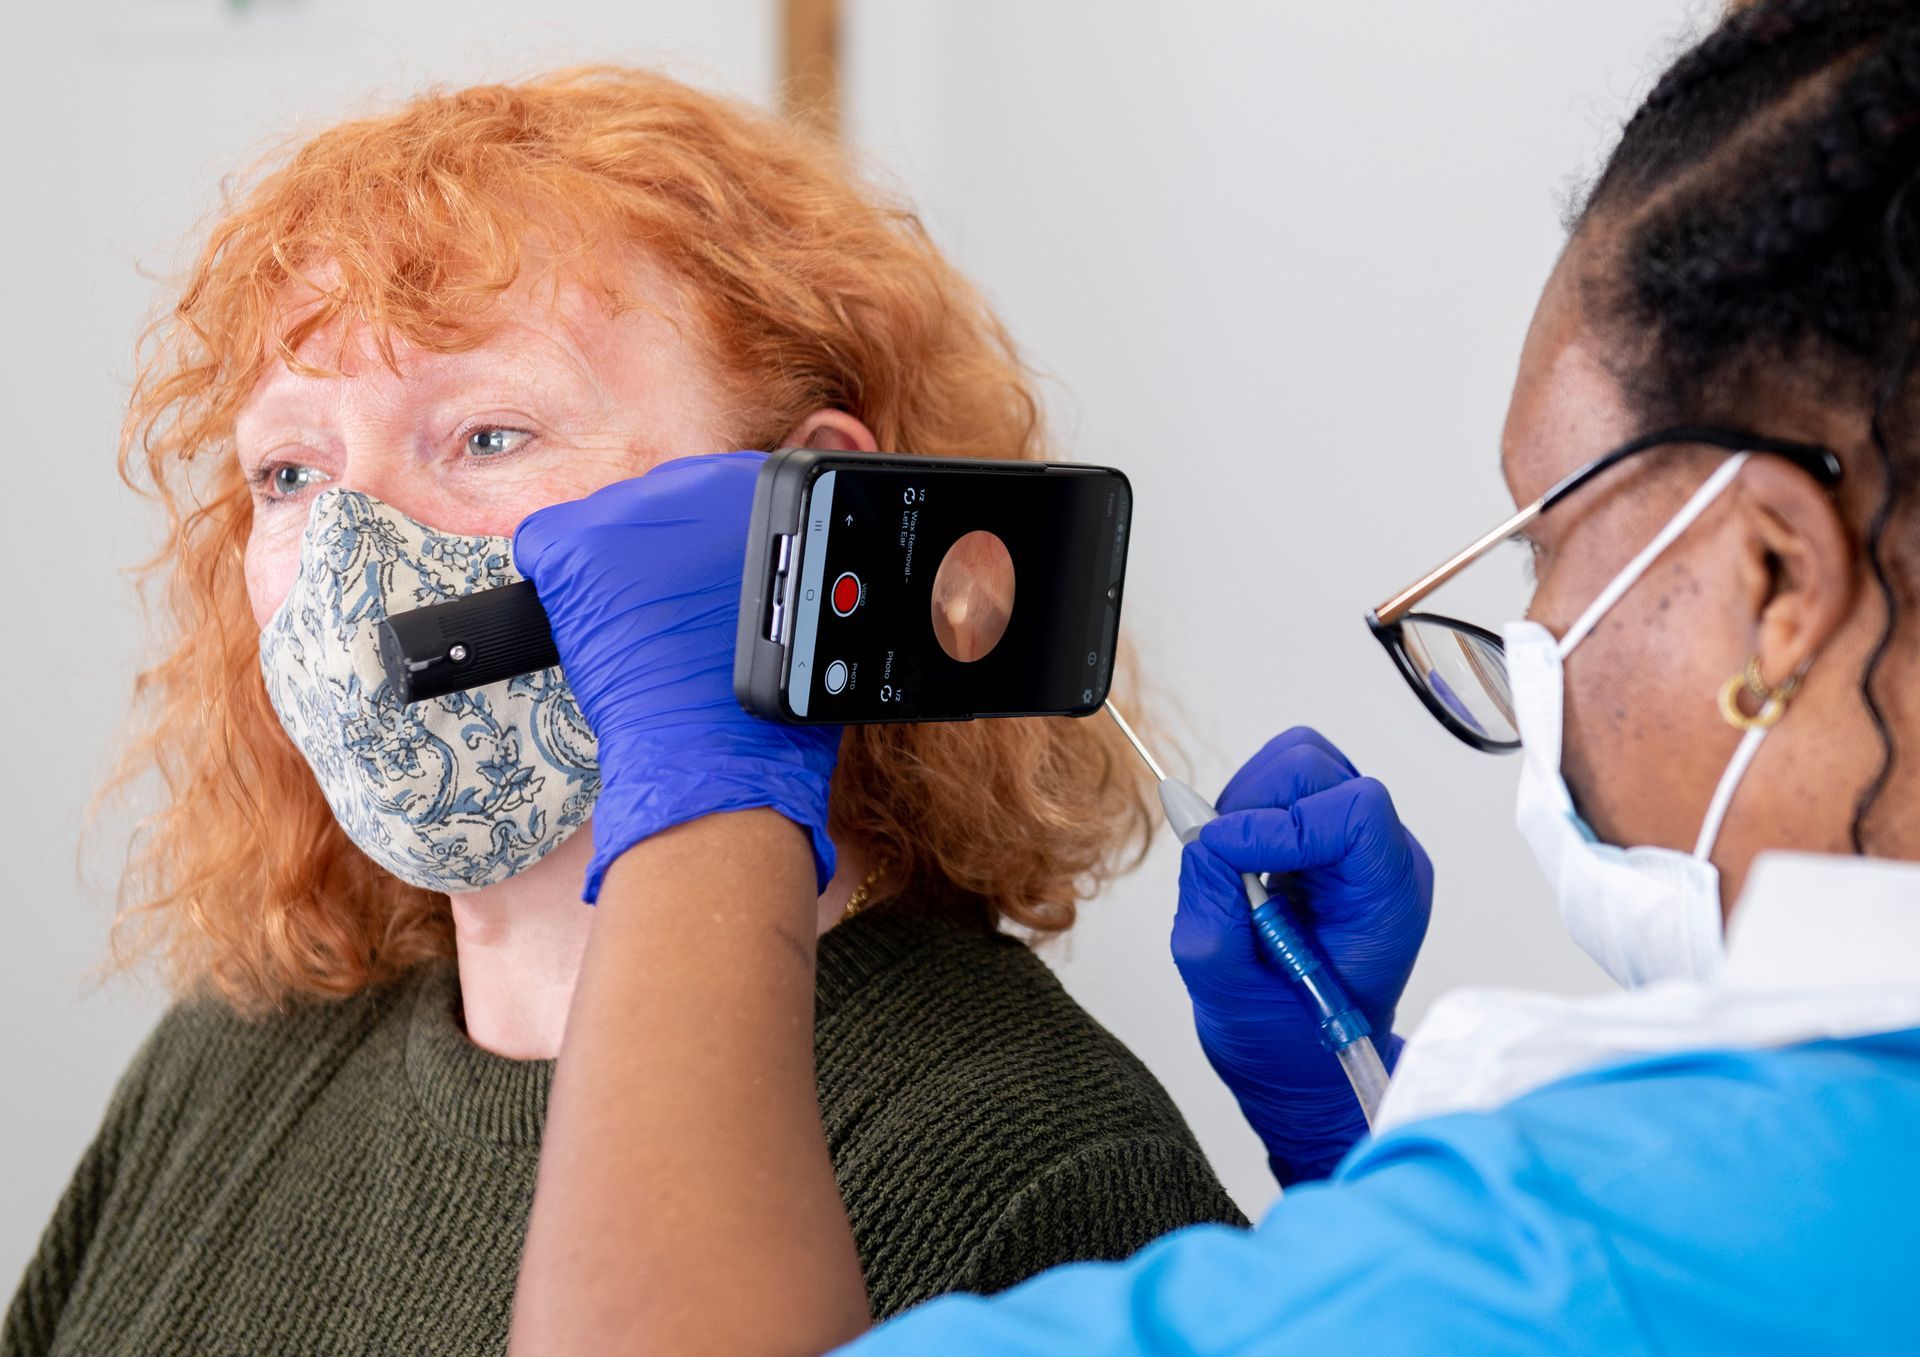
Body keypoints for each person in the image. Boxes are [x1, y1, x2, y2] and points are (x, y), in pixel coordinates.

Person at [503, 3, 1920, 1353]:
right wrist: (1362, 1136)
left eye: (1548, 541)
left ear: (1776, 582)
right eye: (286, 468)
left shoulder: (1619, 1240)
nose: (1538, 622)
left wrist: (701, 775)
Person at [0, 68, 1245, 1357]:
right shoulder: (233, 1061)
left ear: (803, 506)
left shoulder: (1031, 1155)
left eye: (489, 435)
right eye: (291, 469)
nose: (346, 563)